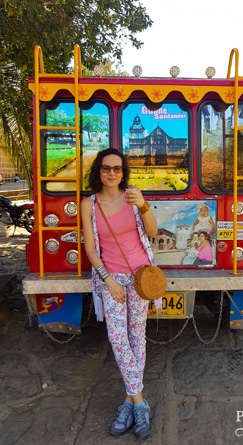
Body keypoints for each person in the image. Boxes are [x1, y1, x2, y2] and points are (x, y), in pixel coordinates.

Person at [81, 148, 158, 439]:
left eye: (117, 168)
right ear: (98, 172)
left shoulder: (133, 197)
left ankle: (129, 401)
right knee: (117, 336)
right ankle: (140, 402)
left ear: (123, 172)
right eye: (105, 168)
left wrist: (144, 206)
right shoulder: (89, 204)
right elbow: (90, 248)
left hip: (140, 277)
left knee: (137, 334)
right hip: (110, 278)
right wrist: (107, 279)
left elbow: (151, 232)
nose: (111, 173)